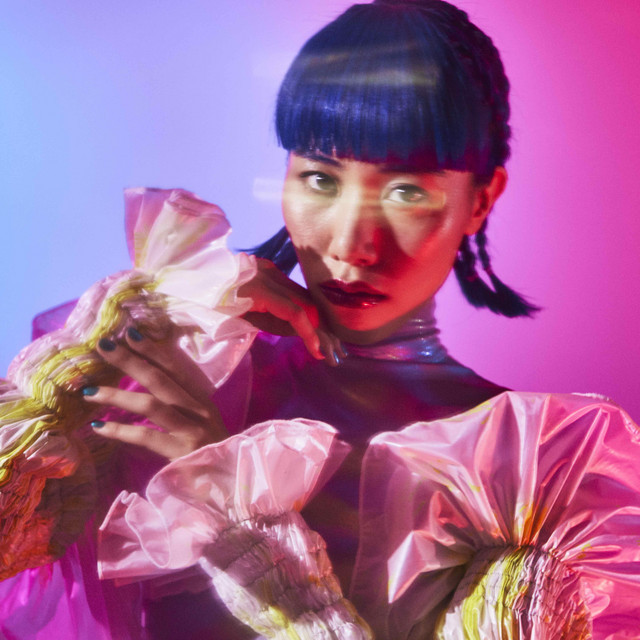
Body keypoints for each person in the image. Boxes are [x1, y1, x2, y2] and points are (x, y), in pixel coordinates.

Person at [1, 1, 639, 638]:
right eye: (320, 178)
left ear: (481, 200)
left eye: (406, 191)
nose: (349, 244)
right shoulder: (170, 380)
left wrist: (239, 528)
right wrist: (102, 348)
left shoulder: (535, 473)